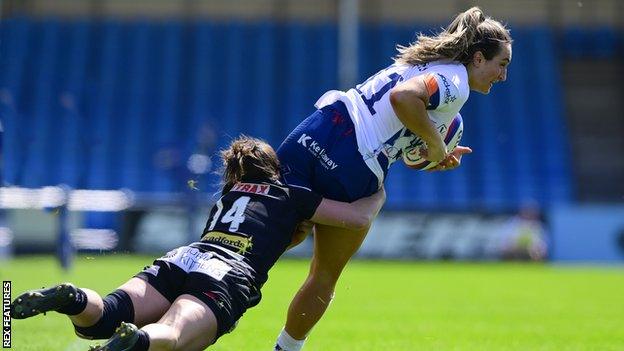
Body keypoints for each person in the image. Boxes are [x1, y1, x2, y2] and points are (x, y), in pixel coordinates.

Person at [274, 6, 512, 350]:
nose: (503, 75)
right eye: (501, 64)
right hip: (355, 163)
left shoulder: (417, 63)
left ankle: (187, 284)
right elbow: (404, 98)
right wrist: (436, 143)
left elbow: (400, 137)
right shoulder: (455, 83)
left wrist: (432, 156)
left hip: (322, 126)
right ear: (477, 58)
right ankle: (285, 348)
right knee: (323, 275)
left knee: (266, 236)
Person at [9, 136, 386, 351]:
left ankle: (73, 297)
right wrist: (379, 192)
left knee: (102, 318)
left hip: (185, 256)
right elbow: (357, 218)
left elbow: (257, 237)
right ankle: (136, 342)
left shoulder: (229, 192)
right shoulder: (291, 194)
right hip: (225, 272)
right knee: (171, 337)